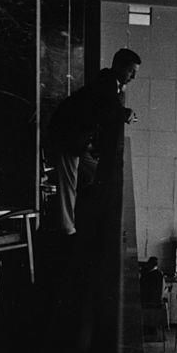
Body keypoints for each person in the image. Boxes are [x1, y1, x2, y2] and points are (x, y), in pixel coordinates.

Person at [47, 48, 140, 235]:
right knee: (68, 182)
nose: (133, 77)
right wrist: (125, 113)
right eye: (131, 71)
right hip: (67, 135)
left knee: (91, 175)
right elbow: (108, 107)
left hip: (76, 137)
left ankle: (74, 222)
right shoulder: (107, 82)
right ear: (118, 66)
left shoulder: (109, 82)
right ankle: (66, 229)